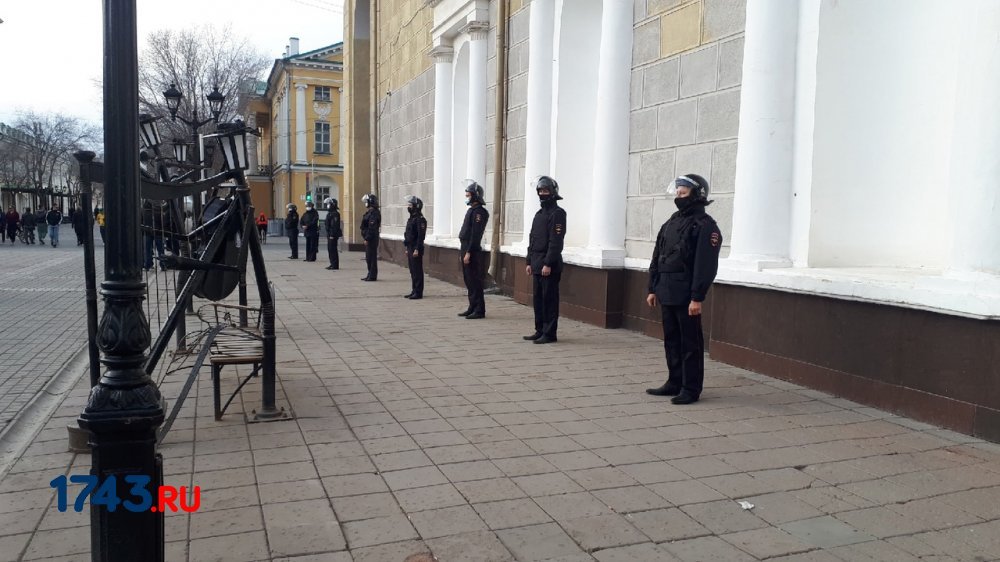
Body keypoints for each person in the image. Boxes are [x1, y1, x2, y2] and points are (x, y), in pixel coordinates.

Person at [645, 173, 722, 405]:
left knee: (690, 344)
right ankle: (674, 381)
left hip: (687, 295)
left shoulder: (705, 226)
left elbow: (705, 265)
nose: (678, 197)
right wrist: (652, 287)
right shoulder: (671, 221)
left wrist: (697, 297)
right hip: (666, 290)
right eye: (677, 193)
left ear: (697, 195)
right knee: (671, 340)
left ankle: (691, 388)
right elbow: (658, 255)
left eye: (683, 193)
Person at [524, 176, 566, 343]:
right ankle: (539, 329)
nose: (542, 194)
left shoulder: (558, 214)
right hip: (536, 263)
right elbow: (532, 239)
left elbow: (556, 242)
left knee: (549, 300)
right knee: (538, 299)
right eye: (540, 191)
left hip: (549, 265)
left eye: (545, 191)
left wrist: (548, 263)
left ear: (553, 192)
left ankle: (549, 333)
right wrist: (529, 261)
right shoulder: (539, 214)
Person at [458, 181, 489, 319]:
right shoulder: (471, 210)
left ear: (475, 196)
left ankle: (479, 309)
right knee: (468, 279)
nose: (467, 197)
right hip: (465, 247)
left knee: (475, 280)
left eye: (468, 195)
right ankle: (472, 306)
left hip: (473, 250)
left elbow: (476, 235)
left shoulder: (479, 213)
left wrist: (469, 252)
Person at [403, 195, 427, 299]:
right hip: (410, 247)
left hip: (416, 248)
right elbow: (408, 234)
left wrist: (417, 248)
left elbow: (420, 236)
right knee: (412, 270)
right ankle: (414, 290)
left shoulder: (420, 220)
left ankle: (418, 292)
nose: (408, 207)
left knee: (417, 270)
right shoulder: (411, 219)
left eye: (410, 205)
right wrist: (407, 248)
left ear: (416, 206)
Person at [360, 193, 381, 281]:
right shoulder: (370, 212)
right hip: (369, 237)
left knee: (371, 258)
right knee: (368, 258)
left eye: (367, 202)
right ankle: (369, 274)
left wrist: (367, 238)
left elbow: (372, 227)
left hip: (372, 239)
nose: (366, 203)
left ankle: (372, 275)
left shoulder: (374, 213)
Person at [324, 197, 342, 270]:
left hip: (333, 235)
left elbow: (334, 225)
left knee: (333, 249)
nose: (328, 205)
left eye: (329, 204)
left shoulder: (335, 214)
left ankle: (335, 265)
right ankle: (332, 263)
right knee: (330, 249)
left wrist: (332, 234)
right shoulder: (330, 213)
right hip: (329, 234)